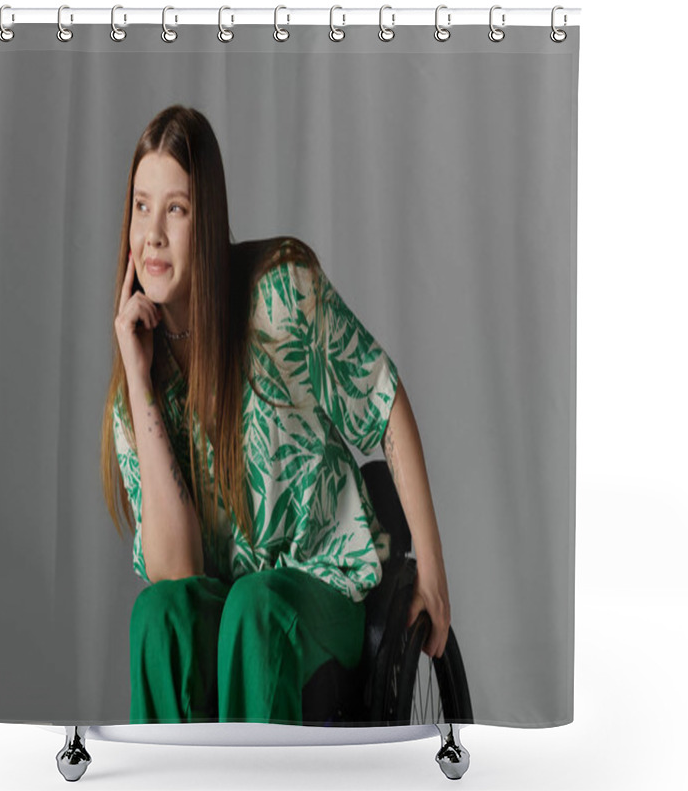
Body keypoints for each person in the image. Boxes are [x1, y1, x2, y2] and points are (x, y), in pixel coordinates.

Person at [100, 104, 451, 725]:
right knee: (157, 615)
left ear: (206, 221)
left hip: (321, 588)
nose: (152, 234)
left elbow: (383, 402)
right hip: (227, 601)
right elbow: (177, 571)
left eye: (175, 208)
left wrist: (433, 571)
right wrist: (136, 374)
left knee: (256, 609)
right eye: (141, 206)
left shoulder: (280, 296)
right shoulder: (140, 370)